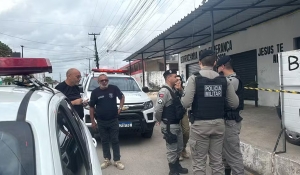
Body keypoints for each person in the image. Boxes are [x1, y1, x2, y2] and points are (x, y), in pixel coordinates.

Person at [181, 50, 239, 175]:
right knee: (217, 162)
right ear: (214, 62)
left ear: (199, 63)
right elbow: (235, 104)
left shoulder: (194, 79)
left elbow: (185, 103)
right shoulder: (225, 80)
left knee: (199, 164)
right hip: (219, 125)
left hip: (200, 126)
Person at [154, 69, 188, 175]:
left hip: (177, 124)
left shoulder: (174, 90)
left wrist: (180, 90)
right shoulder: (164, 91)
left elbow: (183, 102)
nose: (177, 79)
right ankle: (173, 171)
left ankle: (177, 167)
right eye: (174, 77)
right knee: (172, 149)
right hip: (169, 125)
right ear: (168, 78)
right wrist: (159, 120)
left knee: (179, 147)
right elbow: (158, 109)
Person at [89, 74, 125, 170]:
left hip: (113, 119)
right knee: (104, 141)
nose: (104, 82)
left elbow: (122, 97)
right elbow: (91, 107)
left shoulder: (114, 88)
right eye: (102, 80)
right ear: (98, 82)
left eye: (106, 80)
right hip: (101, 121)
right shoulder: (95, 92)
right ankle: (107, 160)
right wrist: (93, 121)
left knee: (115, 140)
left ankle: (117, 160)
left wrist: (120, 108)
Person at [216, 55, 245, 175]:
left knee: (233, 154)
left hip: (230, 122)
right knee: (225, 153)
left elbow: (221, 99)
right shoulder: (228, 80)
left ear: (222, 67)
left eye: (218, 66)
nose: (216, 69)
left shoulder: (232, 81)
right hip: (226, 121)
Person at [175, 75, 190, 161]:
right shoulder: (170, 89)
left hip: (183, 113)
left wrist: (181, 90)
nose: (178, 82)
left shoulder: (183, 90)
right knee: (177, 133)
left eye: (179, 80)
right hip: (174, 114)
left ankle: (183, 148)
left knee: (186, 131)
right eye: (176, 80)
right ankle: (179, 151)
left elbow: (187, 99)